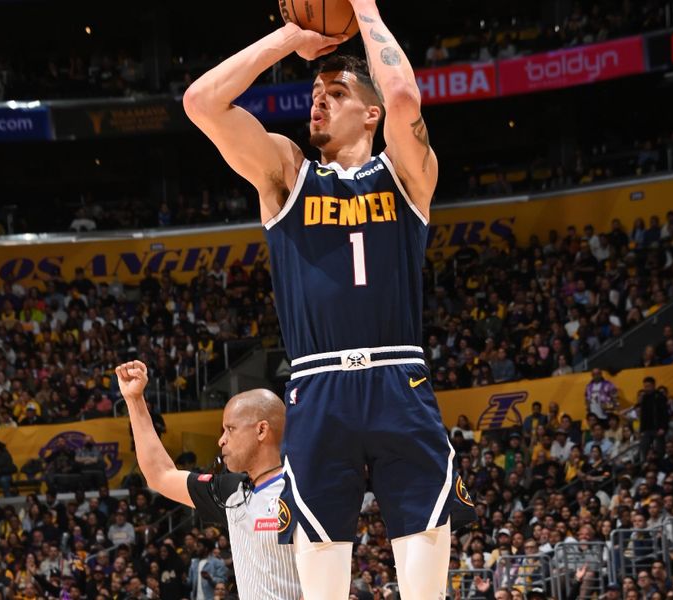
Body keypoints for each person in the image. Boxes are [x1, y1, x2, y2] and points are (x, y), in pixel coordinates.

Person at [183, 2, 476, 598]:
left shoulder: (408, 173)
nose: (317, 99)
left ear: (369, 113)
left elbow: (402, 98)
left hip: (400, 382)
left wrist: (362, 5)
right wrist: (293, 36)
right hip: (318, 390)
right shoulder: (287, 173)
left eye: (335, 92)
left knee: (426, 588)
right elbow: (201, 103)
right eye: (315, 92)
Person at [115, 360, 301, 599]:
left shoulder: (301, 489)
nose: (221, 440)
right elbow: (160, 475)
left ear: (261, 430)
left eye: (230, 429)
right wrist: (134, 400)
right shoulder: (231, 492)